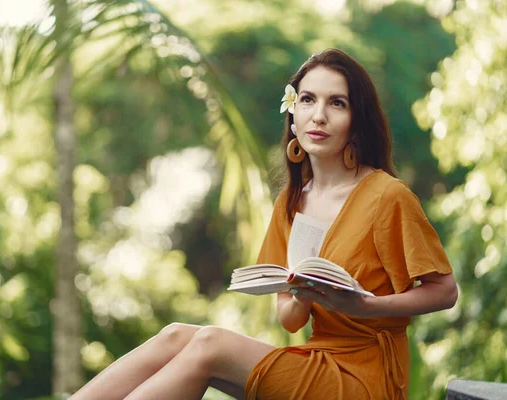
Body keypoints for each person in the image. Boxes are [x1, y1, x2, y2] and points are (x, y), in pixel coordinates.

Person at [70, 48, 458, 400]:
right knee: (175, 334)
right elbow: (290, 320)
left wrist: (364, 305)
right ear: (293, 112)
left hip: (367, 378)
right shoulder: (292, 203)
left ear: (356, 121)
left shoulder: (387, 196)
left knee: (210, 344)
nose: (318, 115)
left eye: (336, 103)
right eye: (307, 100)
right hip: (315, 357)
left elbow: (444, 291)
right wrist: (305, 290)